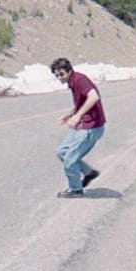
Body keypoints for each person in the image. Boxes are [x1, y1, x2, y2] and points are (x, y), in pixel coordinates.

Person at [50, 58, 105, 198]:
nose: (59, 77)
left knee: (70, 158)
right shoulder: (73, 82)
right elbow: (82, 103)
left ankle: (75, 189)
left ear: (69, 70)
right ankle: (88, 173)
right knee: (62, 152)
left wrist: (77, 116)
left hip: (91, 127)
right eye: (56, 75)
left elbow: (93, 97)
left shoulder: (80, 80)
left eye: (61, 74)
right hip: (82, 124)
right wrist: (69, 115)